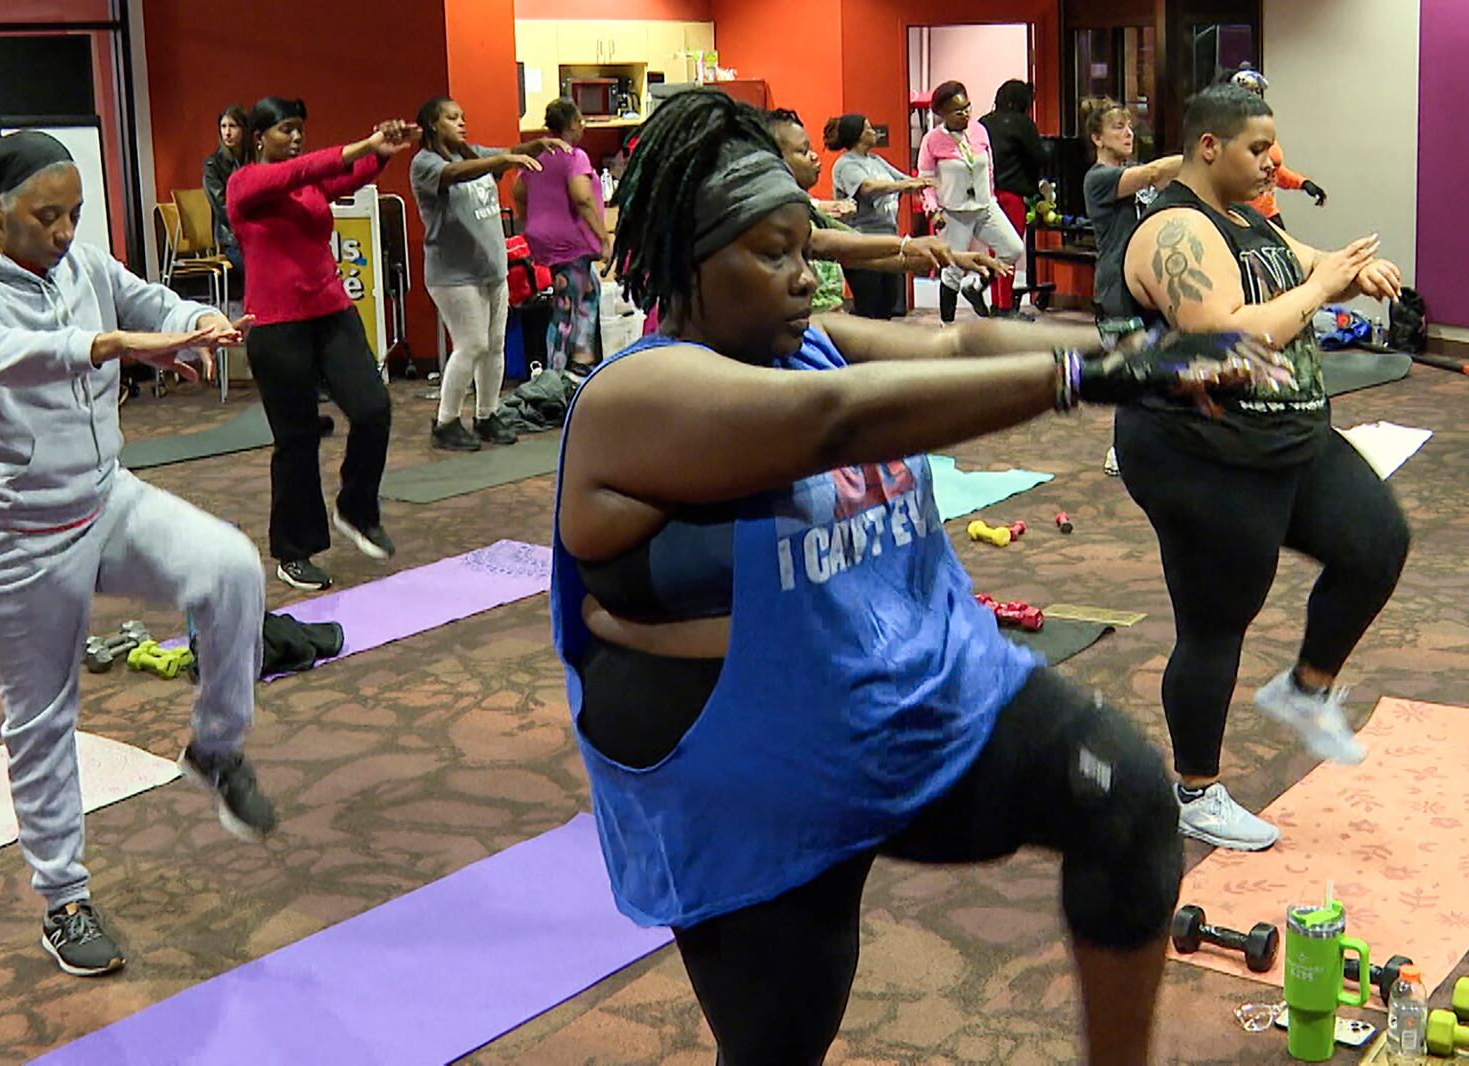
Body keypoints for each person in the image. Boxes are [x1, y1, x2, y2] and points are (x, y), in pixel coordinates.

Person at [553, 89, 1289, 1065]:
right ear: (689, 266)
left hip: (898, 700)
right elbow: (837, 418)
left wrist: (1138, 346)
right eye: (771, 254)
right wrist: (1094, 378)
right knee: (781, 1042)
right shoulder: (637, 393)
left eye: (804, 250)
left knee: (1126, 797)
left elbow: (958, 342)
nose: (800, 279)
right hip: (754, 782)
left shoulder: (805, 339)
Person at [0, 131, 273, 976]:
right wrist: (107, 346)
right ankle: (63, 900)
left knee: (230, 569)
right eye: (48, 217)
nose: (66, 233)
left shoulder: (80, 265)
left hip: (103, 499)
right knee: (43, 720)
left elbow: (145, 299)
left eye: (75, 214)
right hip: (4, 541)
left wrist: (194, 323)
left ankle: (216, 749)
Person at [1120, 84, 1408, 851]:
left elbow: (1310, 264)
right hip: (1202, 455)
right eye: (1257, 149)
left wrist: (1350, 272)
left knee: (1377, 543)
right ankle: (1196, 790)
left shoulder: (1248, 220)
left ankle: (1305, 690)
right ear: (1208, 146)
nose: (1272, 163)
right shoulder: (1174, 230)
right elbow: (1223, 342)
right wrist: (1317, 288)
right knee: (1218, 622)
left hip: (1289, 439)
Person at [228, 97, 414, 592]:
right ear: (260, 137)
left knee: (373, 409)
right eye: (285, 130)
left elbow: (348, 177)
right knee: (297, 440)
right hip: (275, 326)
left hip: (332, 315)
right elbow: (305, 170)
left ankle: (355, 508)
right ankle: (294, 550)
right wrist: (361, 146)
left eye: (299, 130)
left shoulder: (306, 181)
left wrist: (383, 152)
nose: (294, 138)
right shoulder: (245, 183)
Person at [411, 96, 569, 451]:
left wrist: (537, 145)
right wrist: (500, 161)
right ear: (434, 124)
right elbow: (454, 174)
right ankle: (446, 421)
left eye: (463, 116)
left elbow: (509, 151)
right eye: (453, 118)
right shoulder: (425, 163)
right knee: (472, 344)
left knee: (494, 345)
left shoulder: (471, 152)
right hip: (453, 273)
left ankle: (487, 415)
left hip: (492, 267)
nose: (461, 122)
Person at [766, 108, 1007, 315]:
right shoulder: (843, 168)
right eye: (802, 151)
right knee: (871, 311)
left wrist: (953, 257)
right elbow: (859, 215)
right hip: (816, 319)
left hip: (872, 249)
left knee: (886, 308)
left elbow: (862, 249)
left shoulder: (812, 208)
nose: (815, 156)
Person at [1081, 97, 1183, 478]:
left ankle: (1150, 446)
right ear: (1097, 138)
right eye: (1117, 128)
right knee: (1131, 374)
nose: (1128, 133)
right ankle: (1121, 451)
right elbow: (1158, 170)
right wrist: (1205, 153)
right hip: (1116, 290)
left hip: (1147, 288)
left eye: (1129, 127)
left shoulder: (1136, 175)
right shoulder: (1099, 179)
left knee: (1157, 369)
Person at [511, 97, 608, 377]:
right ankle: (556, 376)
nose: (583, 128)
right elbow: (582, 198)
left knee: (589, 294)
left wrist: (536, 219)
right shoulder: (574, 156)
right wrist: (603, 237)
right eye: (581, 122)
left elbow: (518, 193)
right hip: (571, 243)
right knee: (566, 308)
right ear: (572, 124)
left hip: (547, 240)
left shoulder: (538, 155)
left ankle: (582, 363)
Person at [917, 81, 1027, 323]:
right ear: (942, 114)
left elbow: (988, 168)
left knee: (1013, 248)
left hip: (985, 206)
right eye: (958, 111)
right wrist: (933, 211)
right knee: (952, 270)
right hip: (955, 212)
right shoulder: (932, 140)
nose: (965, 113)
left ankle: (976, 286)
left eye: (968, 107)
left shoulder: (979, 130)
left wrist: (991, 196)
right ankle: (947, 324)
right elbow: (925, 180)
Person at [823, 112, 933, 319]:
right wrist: (902, 185)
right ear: (856, 135)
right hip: (863, 240)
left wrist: (924, 182)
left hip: (887, 237)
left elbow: (905, 180)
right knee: (869, 304)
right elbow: (867, 187)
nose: (874, 131)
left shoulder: (875, 160)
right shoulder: (846, 164)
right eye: (868, 128)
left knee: (888, 302)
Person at [979, 79, 1050, 314]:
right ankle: (1006, 308)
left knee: (996, 251)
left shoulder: (983, 123)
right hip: (1012, 195)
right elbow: (1038, 156)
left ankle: (998, 303)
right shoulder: (1022, 124)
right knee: (1010, 251)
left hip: (986, 195)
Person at [1230, 68, 1326, 230]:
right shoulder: (1231, 133)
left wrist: (1303, 183)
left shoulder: (1262, 129)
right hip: (1242, 215)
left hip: (1269, 213)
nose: (1255, 98)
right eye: (1250, 93)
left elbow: (1274, 171)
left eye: (1256, 93)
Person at [202, 104, 250, 282]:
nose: (227, 133)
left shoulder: (254, 159)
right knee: (258, 267)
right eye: (223, 127)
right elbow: (223, 207)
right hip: (232, 239)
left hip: (258, 232)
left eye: (233, 126)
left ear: (244, 130)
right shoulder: (212, 165)